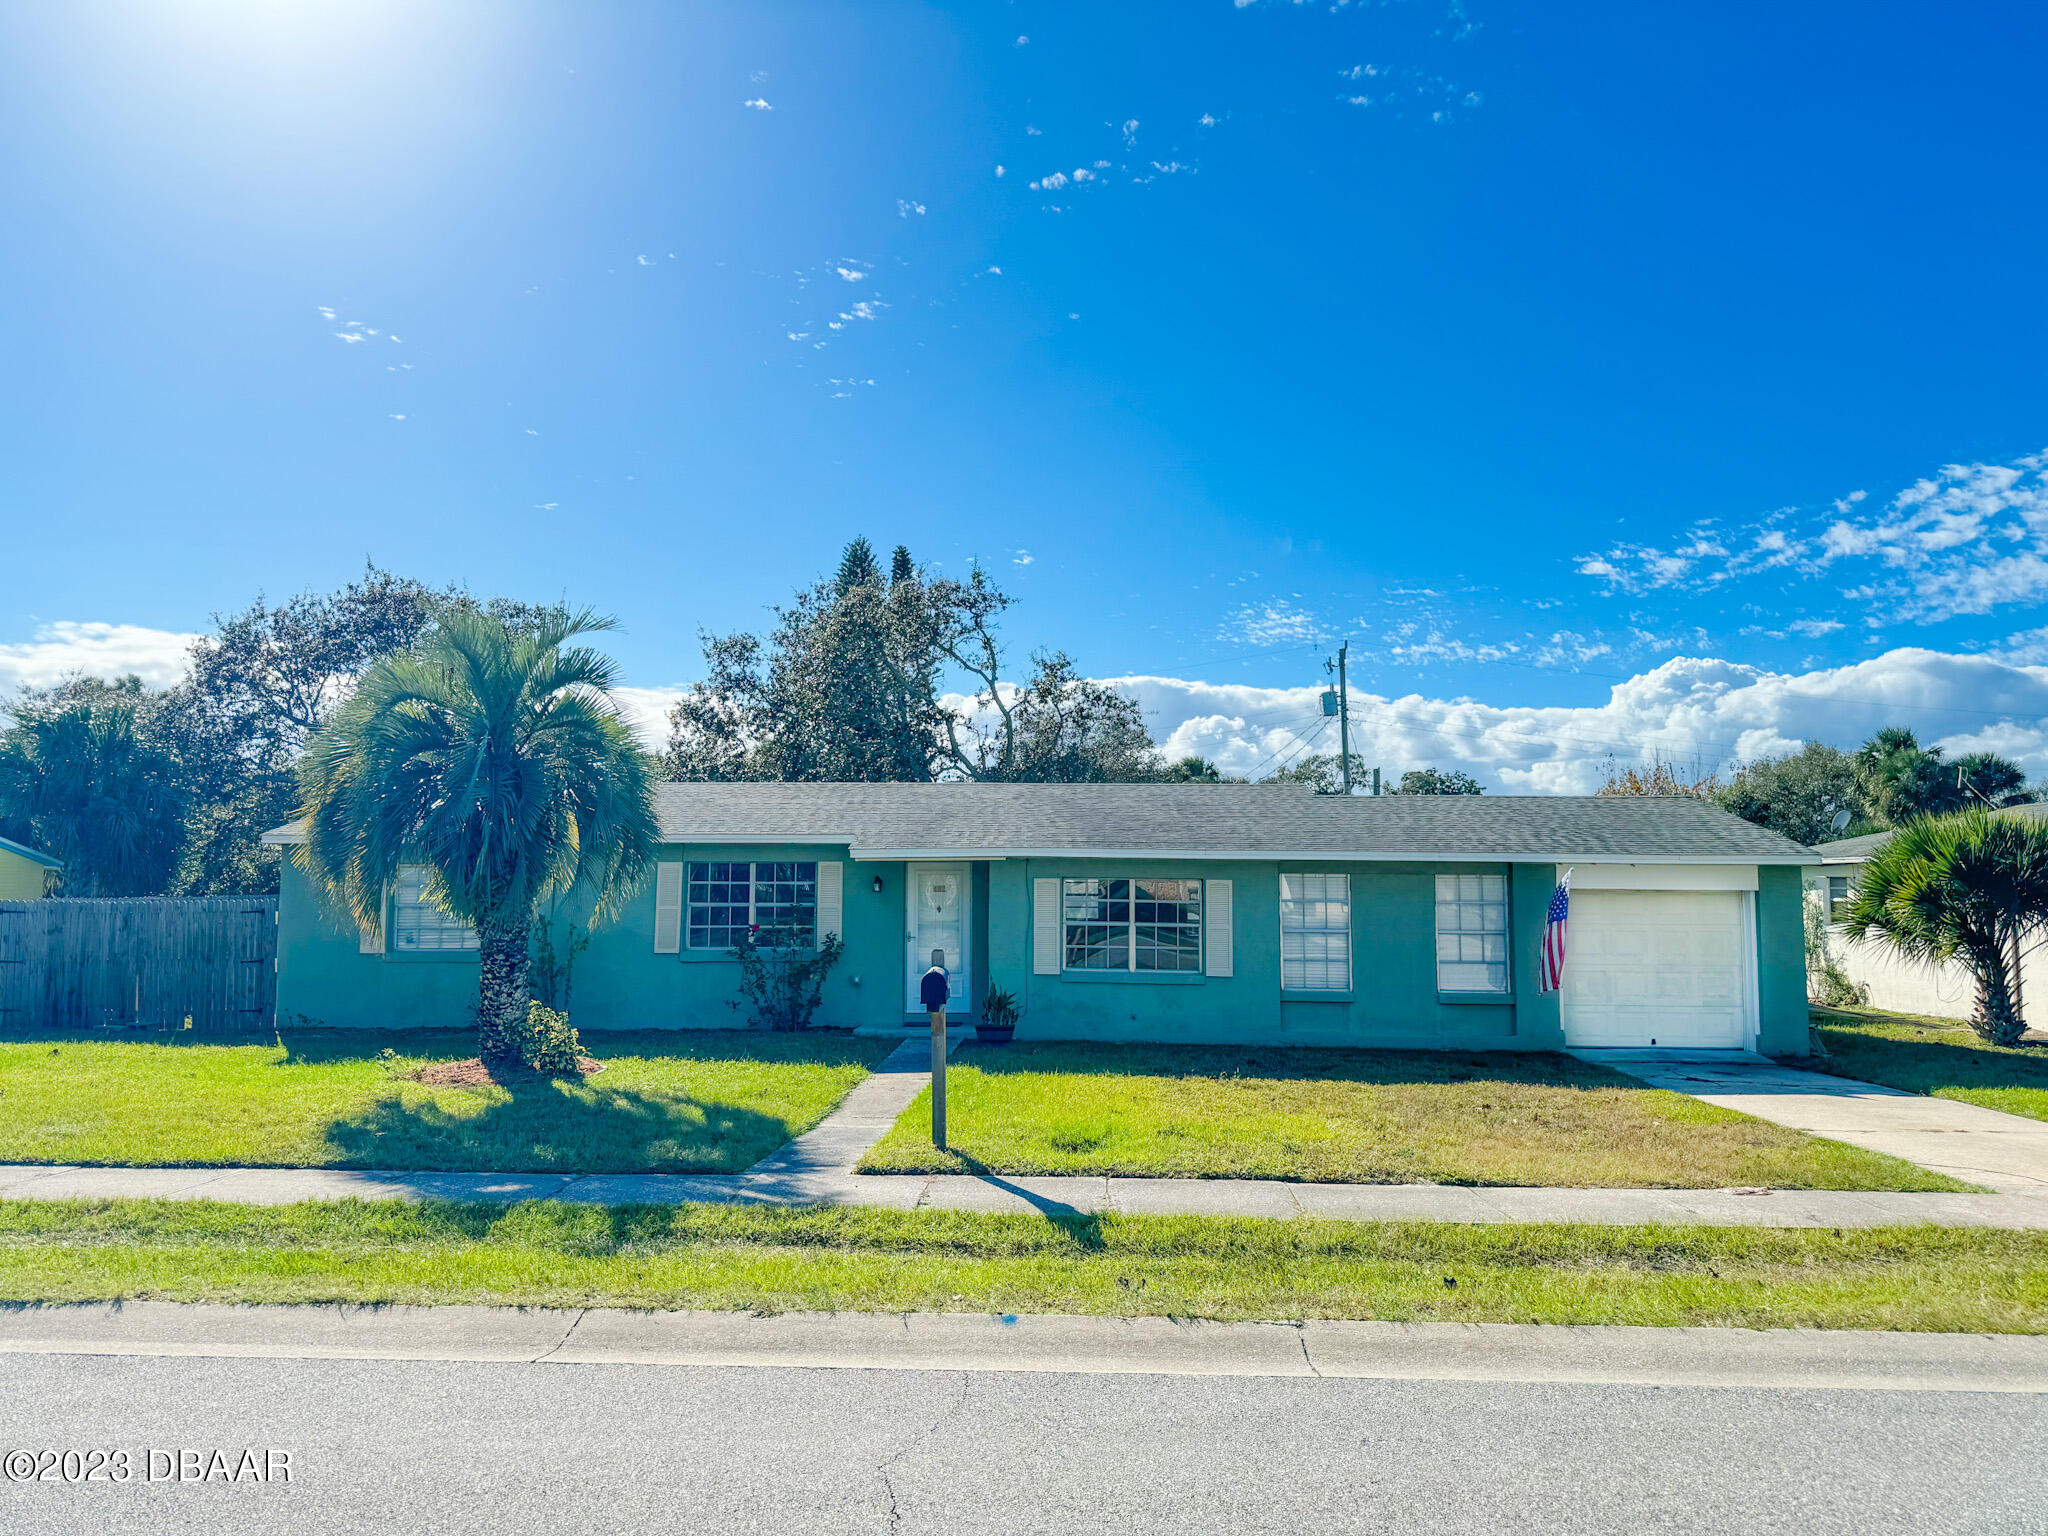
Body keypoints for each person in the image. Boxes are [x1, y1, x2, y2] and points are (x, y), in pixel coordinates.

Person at [920, 949, 950, 1030]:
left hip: (929, 996)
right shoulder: (944, 972)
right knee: (939, 1015)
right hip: (940, 997)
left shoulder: (929, 973)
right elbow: (947, 987)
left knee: (933, 1014)